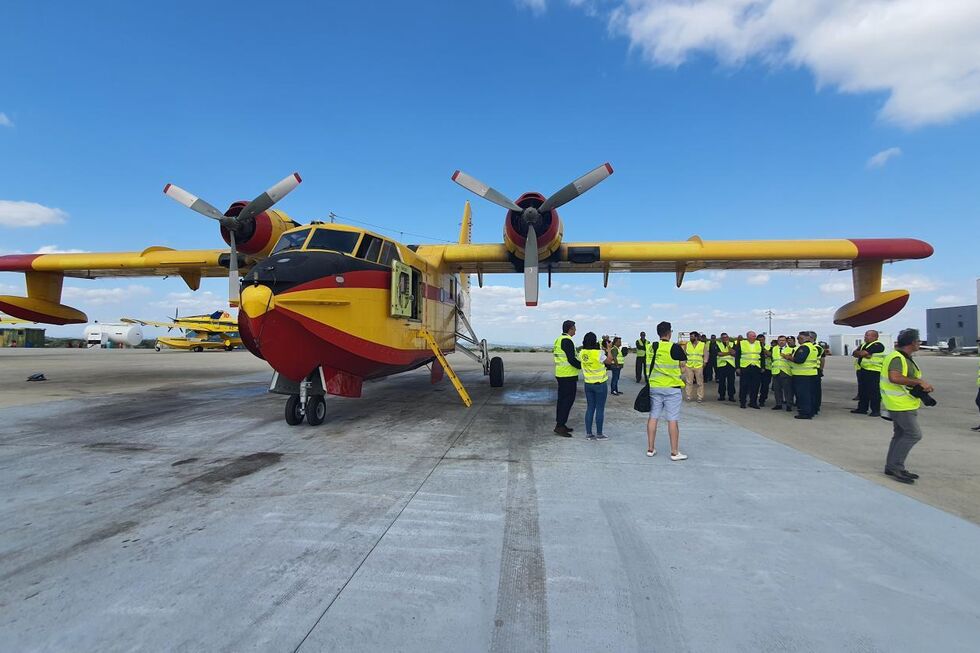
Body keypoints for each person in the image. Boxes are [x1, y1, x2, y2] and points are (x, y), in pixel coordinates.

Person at [881, 328, 934, 483]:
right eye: (918, 341)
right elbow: (895, 377)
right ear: (912, 342)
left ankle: (891, 466)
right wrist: (919, 382)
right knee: (913, 434)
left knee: (900, 434)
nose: (919, 343)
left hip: (903, 402)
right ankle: (897, 467)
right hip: (900, 404)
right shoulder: (898, 358)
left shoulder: (904, 357)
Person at [646, 321, 688, 460]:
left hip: (655, 386)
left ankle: (650, 449)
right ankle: (674, 452)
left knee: (653, 417)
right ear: (669, 333)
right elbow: (683, 363)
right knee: (672, 420)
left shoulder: (651, 347)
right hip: (671, 388)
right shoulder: (674, 347)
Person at [553, 320, 581, 436]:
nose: (575, 330)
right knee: (567, 401)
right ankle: (560, 426)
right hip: (567, 375)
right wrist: (583, 366)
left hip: (562, 374)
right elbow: (571, 359)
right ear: (570, 329)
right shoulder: (567, 340)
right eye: (574, 328)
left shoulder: (559, 339)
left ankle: (561, 424)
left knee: (562, 400)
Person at [579, 332, 609, 440]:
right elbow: (609, 361)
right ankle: (599, 434)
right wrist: (609, 349)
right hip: (600, 384)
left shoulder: (581, 353)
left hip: (588, 384)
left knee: (590, 408)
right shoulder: (599, 353)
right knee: (600, 409)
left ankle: (589, 433)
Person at [785, 331, 819, 419]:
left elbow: (799, 360)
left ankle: (804, 413)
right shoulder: (813, 347)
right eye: (798, 338)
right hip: (811, 374)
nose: (799, 340)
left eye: (800, 338)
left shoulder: (804, 347)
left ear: (807, 338)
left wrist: (788, 357)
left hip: (802, 375)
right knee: (810, 394)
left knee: (803, 395)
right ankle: (811, 411)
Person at [851, 330, 885, 417]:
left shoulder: (877, 345)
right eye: (865, 335)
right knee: (863, 391)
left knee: (874, 391)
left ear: (875, 337)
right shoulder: (863, 345)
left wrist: (863, 354)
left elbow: (863, 353)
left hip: (873, 371)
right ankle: (862, 408)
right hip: (863, 370)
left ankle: (875, 410)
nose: (865, 337)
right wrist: (862, 354)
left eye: (867, 335)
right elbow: (855, 353)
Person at [736, 330, 763, 409]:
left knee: (755, 386)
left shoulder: (759, 343)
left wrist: (762, 367)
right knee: (744, 385)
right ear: (748, 337)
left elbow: (762, 356)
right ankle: (743, 402)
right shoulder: (742, 343)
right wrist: (737, 367)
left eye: (755, 336)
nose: (755, 337)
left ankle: (753, 402)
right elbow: (737, 356)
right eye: (753, 336)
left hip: (756, 367)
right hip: (745, 367)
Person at [770, 335, 793, 411]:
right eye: (780, 340)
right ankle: (778, 404)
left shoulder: (790, 349)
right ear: (778, 341)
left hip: (785, 371)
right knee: (777, 389)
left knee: (787, 390)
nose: (781, 341)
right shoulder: (774, 349)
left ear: (786, 341)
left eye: (783, 340)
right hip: (776, 371)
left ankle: (789, 404)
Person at [684, 331, 705, 402]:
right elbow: (685, 354)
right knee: (689, 382)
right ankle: (688, 396)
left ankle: (700, 397)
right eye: (690, 337)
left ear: (696, 337)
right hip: (689, 366)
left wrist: (705, 362)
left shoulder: (702, 344)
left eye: (692, 336)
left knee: (699, 382)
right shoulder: (687, 344)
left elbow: (706, 354)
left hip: (698, 366)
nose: (690, 338)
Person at [715, 332, 736, 402]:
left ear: (728, 337)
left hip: (731, 365)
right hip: (721, 365)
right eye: (723, 338)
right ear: (721, 338)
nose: (725, 339)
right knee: (721, 382)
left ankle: (731, 396)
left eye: (726, 337)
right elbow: (719, 354)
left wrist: (728, 346)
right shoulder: (718, 344)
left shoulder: (732, 344)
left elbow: (734, 353)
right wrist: (729, 353)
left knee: (731, 382)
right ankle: (721, 396)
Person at [757, 333, 772, 407]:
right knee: (755, 385)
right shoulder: (755, 347)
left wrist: (763, 348)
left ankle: (762, 400)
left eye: (762, 340)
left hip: (767, 369)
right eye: (759, 340)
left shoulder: (769, 347)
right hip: (757, 368)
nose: (760, 342)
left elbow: (769, 354)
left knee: (765, 386)